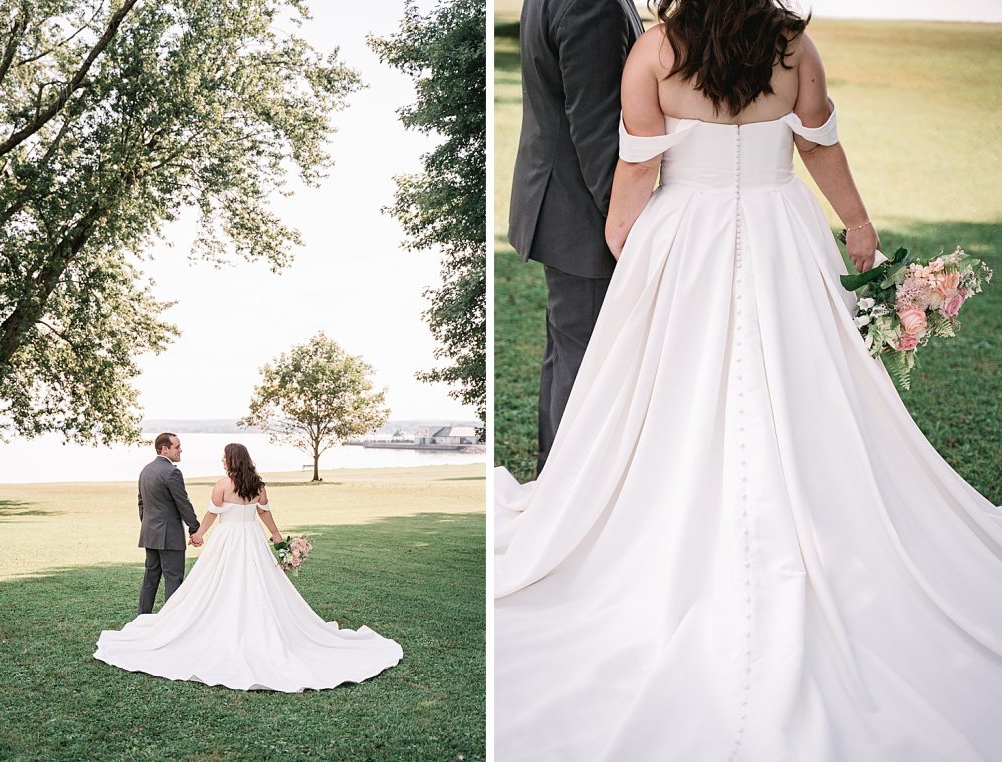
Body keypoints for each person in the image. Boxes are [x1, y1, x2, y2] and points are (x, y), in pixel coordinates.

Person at [494, 2, 1002, 759]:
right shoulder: (793, 45)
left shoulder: (656, 52)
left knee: (668, 390)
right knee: (801, 384)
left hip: (684, 235)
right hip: (781, 232)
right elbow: (820, 144)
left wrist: (625, 242)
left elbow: (635, 167)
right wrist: (858, 229)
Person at [96, 443, 402, 692]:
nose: (221, 461)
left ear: (230, 460)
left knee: (217, 585)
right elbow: (267, 518)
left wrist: (199, 535)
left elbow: (212, 515)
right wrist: (281, 543)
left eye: (223, 457)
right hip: (252, 539)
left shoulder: (221, 485)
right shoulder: (258, 485)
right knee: (259, 584)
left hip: (228, 541)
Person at [508, 0, 644, 474]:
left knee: (567, 352)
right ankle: (567, 489)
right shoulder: (594, 4)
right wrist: (626, 219)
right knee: (585, 362)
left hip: (557, 199)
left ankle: (554, 480)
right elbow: (596, 126)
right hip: (584, 212)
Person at [136, 432, 201, 615]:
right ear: (165, 449)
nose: (180, 450)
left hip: (150, 533)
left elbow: (141, 503)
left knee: (151, 577)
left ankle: (142, 617)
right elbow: (183, 503)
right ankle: (170, 623)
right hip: (169, 535)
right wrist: (194, 528)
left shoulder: (145, 470)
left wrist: (150, 525)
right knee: (174, 578)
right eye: (177, 447)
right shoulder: (172, 472)